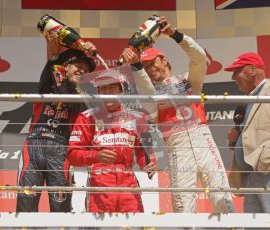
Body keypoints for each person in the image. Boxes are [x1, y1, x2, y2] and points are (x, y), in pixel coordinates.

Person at [121, 16, 234, 213]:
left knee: (223, 200)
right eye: (145, 66)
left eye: (151, 63)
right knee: (183, 207)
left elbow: (199, 58)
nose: (149, 69)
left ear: (164, 60)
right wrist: (137, 67)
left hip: (203, 141)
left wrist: (175, 35)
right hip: (176, 146)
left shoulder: (190, 82)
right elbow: (149, 94)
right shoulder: (150, 94)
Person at [16, 32, 97, 212]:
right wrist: (57, 57)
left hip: (62, 151)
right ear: (65, 67)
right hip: (34, 146)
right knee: (25, 205)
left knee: (61, 207)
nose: (83, 70)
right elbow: (53, 70)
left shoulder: (86, 94)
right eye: (79, 65)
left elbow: (74, 104)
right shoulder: (48, 84)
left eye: (86, 69)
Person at [67, 69, 157, 213]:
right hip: (99, 183)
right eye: (103, 88)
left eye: (112, 87)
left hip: (128, 183)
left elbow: (143, 151)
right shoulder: (86, 117)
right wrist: (96, 156)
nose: (107, 92)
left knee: (134, 225)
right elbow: (73, 155)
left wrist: (149, 163)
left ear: (121, 91)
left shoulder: (136, 117)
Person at [225, 52, 270, 213]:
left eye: (237, 71)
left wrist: (262, 163)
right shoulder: (250, 99)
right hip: (251, 176)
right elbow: (252, 137)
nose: (233, 77)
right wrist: (235, 141)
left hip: (268, 172)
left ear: (252, 69)